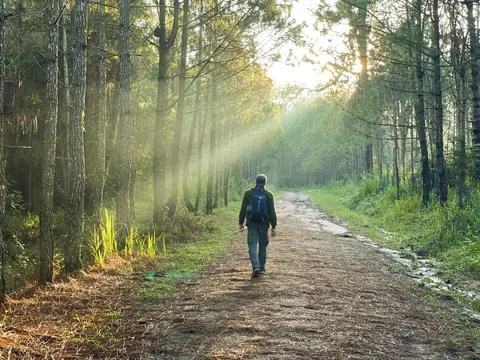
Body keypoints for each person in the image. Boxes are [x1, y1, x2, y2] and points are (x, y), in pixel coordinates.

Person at [239, 174, 277, 278]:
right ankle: (262, 267)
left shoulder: (248, 193)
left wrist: (241, 222)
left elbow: (243, 208)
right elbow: (272, 211)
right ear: (265, 183)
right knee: (263, 245)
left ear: (255, 182)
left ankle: (255, 267)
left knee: (252, 245)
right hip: (264, 224)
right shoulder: (269, 195)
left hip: (251, 223)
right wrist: (274, 226)